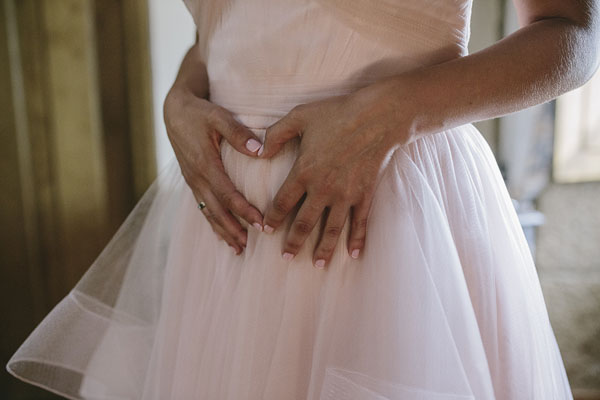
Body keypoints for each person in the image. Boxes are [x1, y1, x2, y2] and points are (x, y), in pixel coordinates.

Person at [7, 0, 598, 398]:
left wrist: (394, 112)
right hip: (229, 240)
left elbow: (571, 33)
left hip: (388, 215)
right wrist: (182, 97)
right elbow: (224, 29)